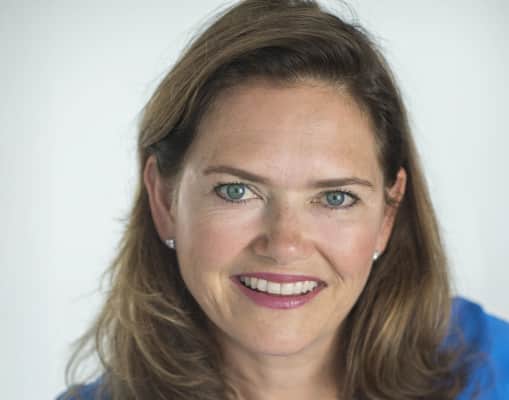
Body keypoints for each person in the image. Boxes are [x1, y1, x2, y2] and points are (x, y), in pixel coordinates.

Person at [56, 0, 509, 399]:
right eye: (236, 191)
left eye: (335, 197)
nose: (285, 244)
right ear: (163, 199)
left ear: (388, 215)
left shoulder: (491, 365)